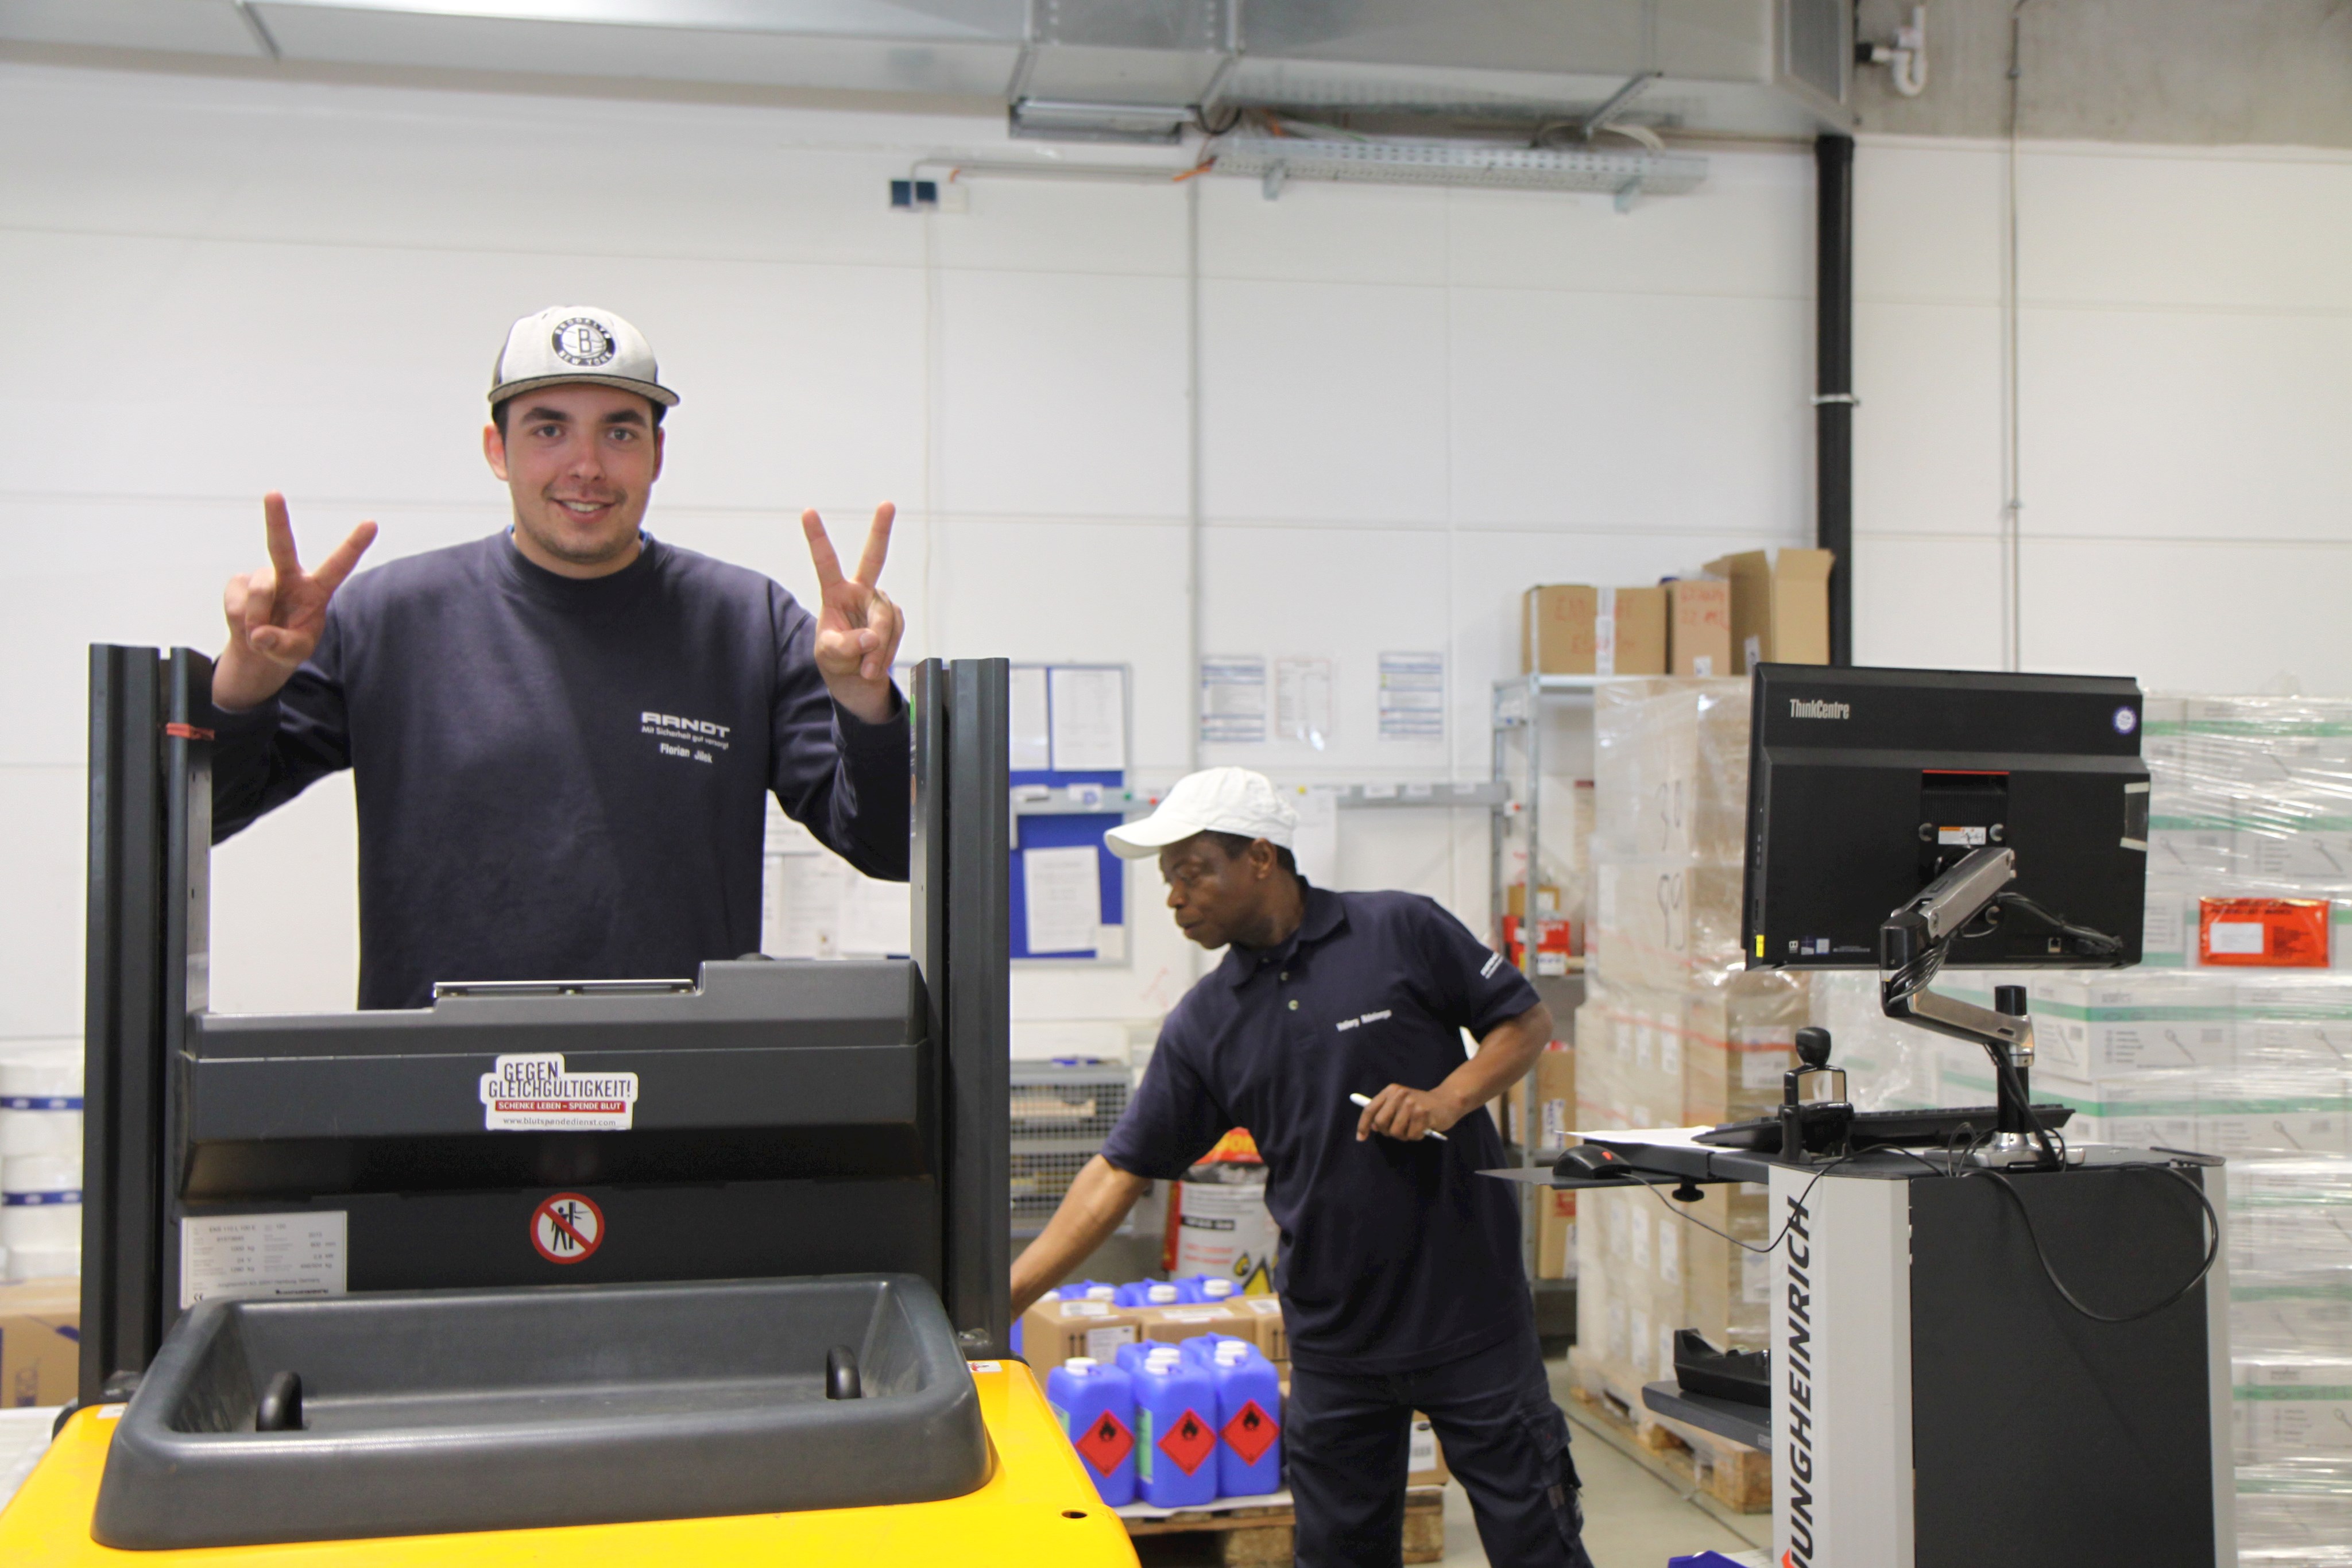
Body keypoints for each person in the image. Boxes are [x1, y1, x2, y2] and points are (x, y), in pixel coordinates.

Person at [206, 304, 910, 1008]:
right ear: (496, 449)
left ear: (656, 455)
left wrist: (865, 702)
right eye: (549, 430)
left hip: (682, 1090)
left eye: (619, 432)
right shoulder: (385, 619)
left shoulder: (745, 624)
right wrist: (245, 687)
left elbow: (889, 848)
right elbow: (202, 816)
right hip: (435, 1092)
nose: (587, 466)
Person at [1010, 767, 1595, 1568]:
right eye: (1167, 880)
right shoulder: (1207, 1023)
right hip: (1334, 1338)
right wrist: (1003, 1291)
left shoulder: (1400, 929)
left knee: (1540, 1545)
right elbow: (1120, 1169)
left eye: (1192, 872)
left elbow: (1523, 1020)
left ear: (1259, 856)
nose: (1177, 898)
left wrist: (1449, 1097)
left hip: (1470, 1316)